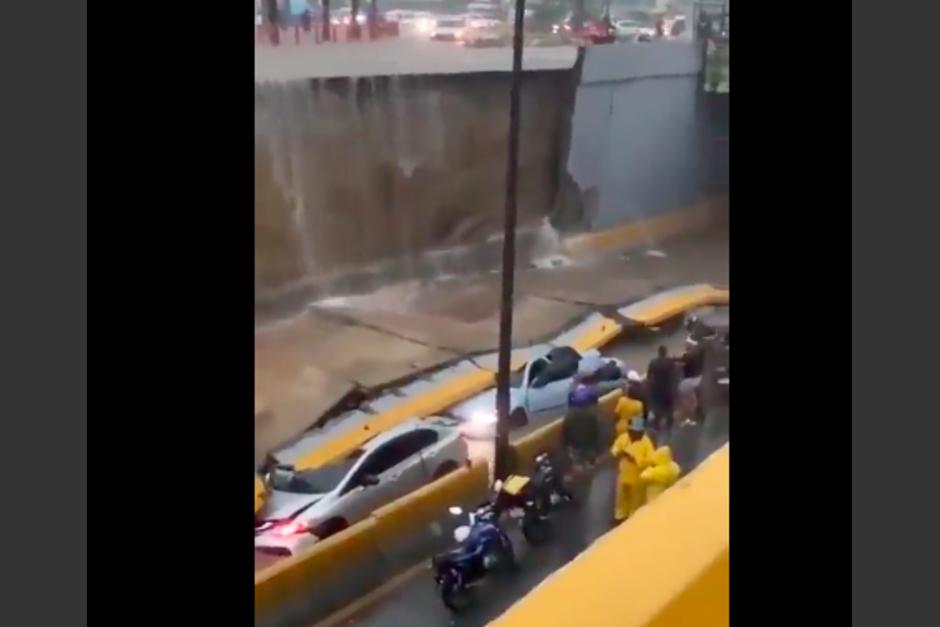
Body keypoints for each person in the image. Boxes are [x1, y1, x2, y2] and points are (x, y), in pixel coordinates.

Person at [610, 415, 655, 523]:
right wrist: (618, 453)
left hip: (637, 477)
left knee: (636, 500)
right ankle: (619, 516)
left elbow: (651, 458)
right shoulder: (624, 438)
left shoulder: (646, 442)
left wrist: (636, 460)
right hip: (623, 474)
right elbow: (614, 448)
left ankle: (632, 518)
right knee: (620, 497)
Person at [562, 374, 601, 466]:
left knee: (578, 463)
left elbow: (566, 432)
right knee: (591, 463)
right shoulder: (591, 415)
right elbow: (595, 431)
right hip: (588, 445)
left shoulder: (569, 416)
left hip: (576, 445)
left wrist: (568, 444)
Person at [646, 345, 680, 433]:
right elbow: (674, 374)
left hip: (657, 388)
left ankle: (657, 425)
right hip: (668, 387)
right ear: (666, 353)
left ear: (658, 353)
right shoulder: (670, 362)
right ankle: (669, 423)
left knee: (658, 407)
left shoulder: (653, 362)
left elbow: (649, 376)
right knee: (669, 406)